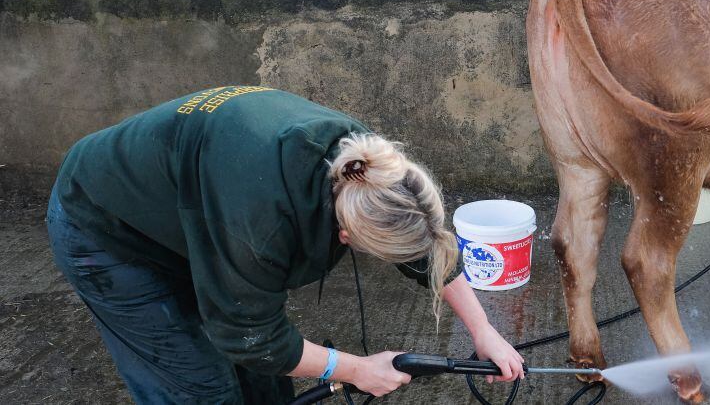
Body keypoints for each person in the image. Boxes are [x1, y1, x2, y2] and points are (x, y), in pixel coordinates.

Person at [47, 86, 525, 403]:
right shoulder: (260, 223)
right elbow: (250, 335)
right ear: (345, 236)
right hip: (104, 227)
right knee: (202, 391)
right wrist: (355, 369)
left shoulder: (369, 168)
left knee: (266, 390)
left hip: (189, 206)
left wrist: (483, 330)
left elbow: (422, 244)